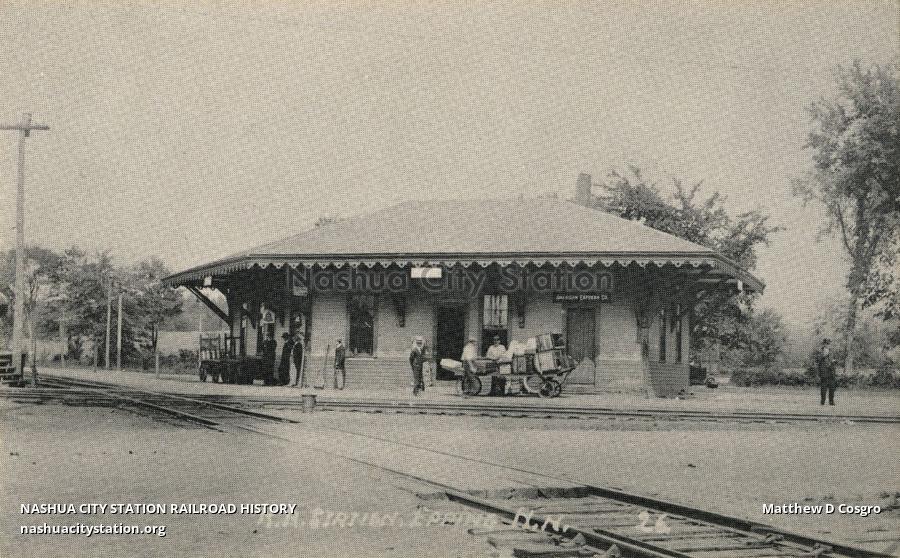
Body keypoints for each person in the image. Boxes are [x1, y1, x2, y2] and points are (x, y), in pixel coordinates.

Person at [814, 338, 837, 405]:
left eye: (829, 343)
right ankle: (823, 401)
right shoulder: (820, 351)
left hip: (831, 371)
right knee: (823, 387)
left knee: (832, 387)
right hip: (824, 371)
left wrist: (834, 361)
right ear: (824, 344)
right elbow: (817, 360)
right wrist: (823, 355)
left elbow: (833, 359)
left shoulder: (831, 351)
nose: (828, 345)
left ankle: (831, 401)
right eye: (826, 343)